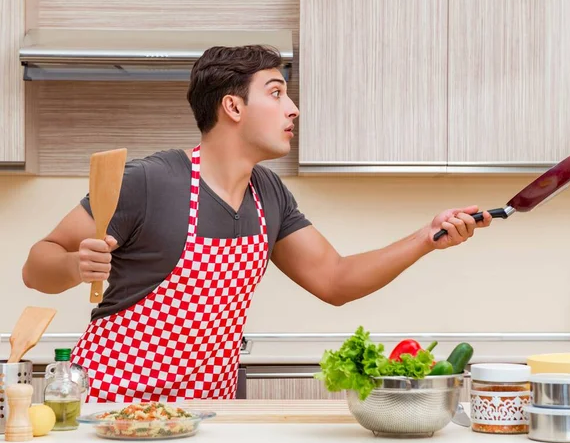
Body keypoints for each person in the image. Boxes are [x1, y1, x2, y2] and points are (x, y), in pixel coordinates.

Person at [22, 45, 492, 403]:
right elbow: (37, 264)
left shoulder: (269, 194)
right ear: (232, 107)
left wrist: (426, 239)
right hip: (111, 408)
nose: (294, 109)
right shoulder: (148, 181)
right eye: (277, 94)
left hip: (210, 413)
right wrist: (74, 267)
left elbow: (335, 280)